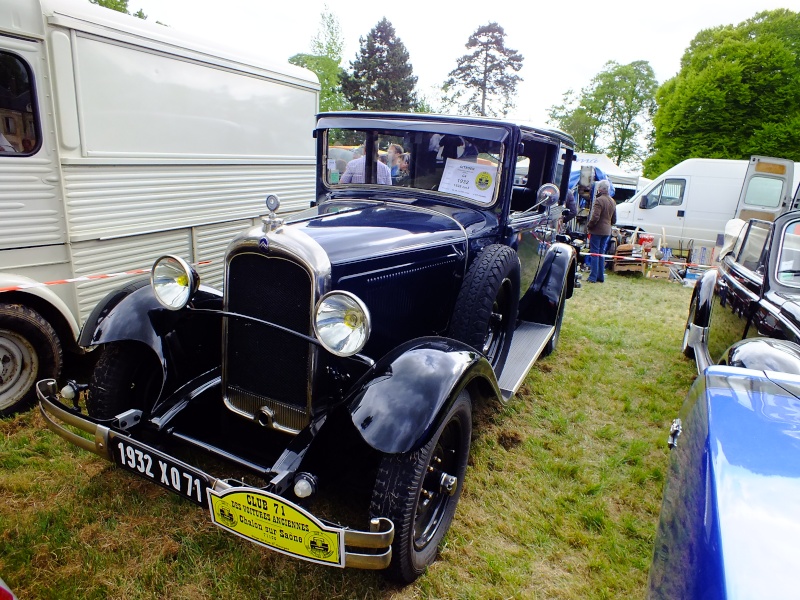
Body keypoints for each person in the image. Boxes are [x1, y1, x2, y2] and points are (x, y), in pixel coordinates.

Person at [586, 180, 616, 283]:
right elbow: (614, 219)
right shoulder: (612, 201)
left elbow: (595, 217)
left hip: (597, 230)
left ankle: (593, 277)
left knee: (594, 253)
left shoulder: (599, 200)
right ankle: (600, 276)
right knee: (601, 253)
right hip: (607, 231)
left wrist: (589, 226)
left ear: (600, 189)